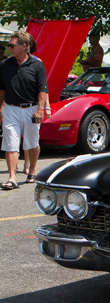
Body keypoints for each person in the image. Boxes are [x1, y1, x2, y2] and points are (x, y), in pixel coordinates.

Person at [0, 31, 49, 190]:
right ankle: (12, 177)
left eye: (12, 46)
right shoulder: (5, 65)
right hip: (11, 109)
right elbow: (1, 89)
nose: (10, 49)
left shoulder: (37, 65)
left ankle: (32, 171)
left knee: (32, 142)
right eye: (9, 46)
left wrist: (41, 109)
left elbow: (42, 89)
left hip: (31, 108)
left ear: (24, 47)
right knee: (11, 143)